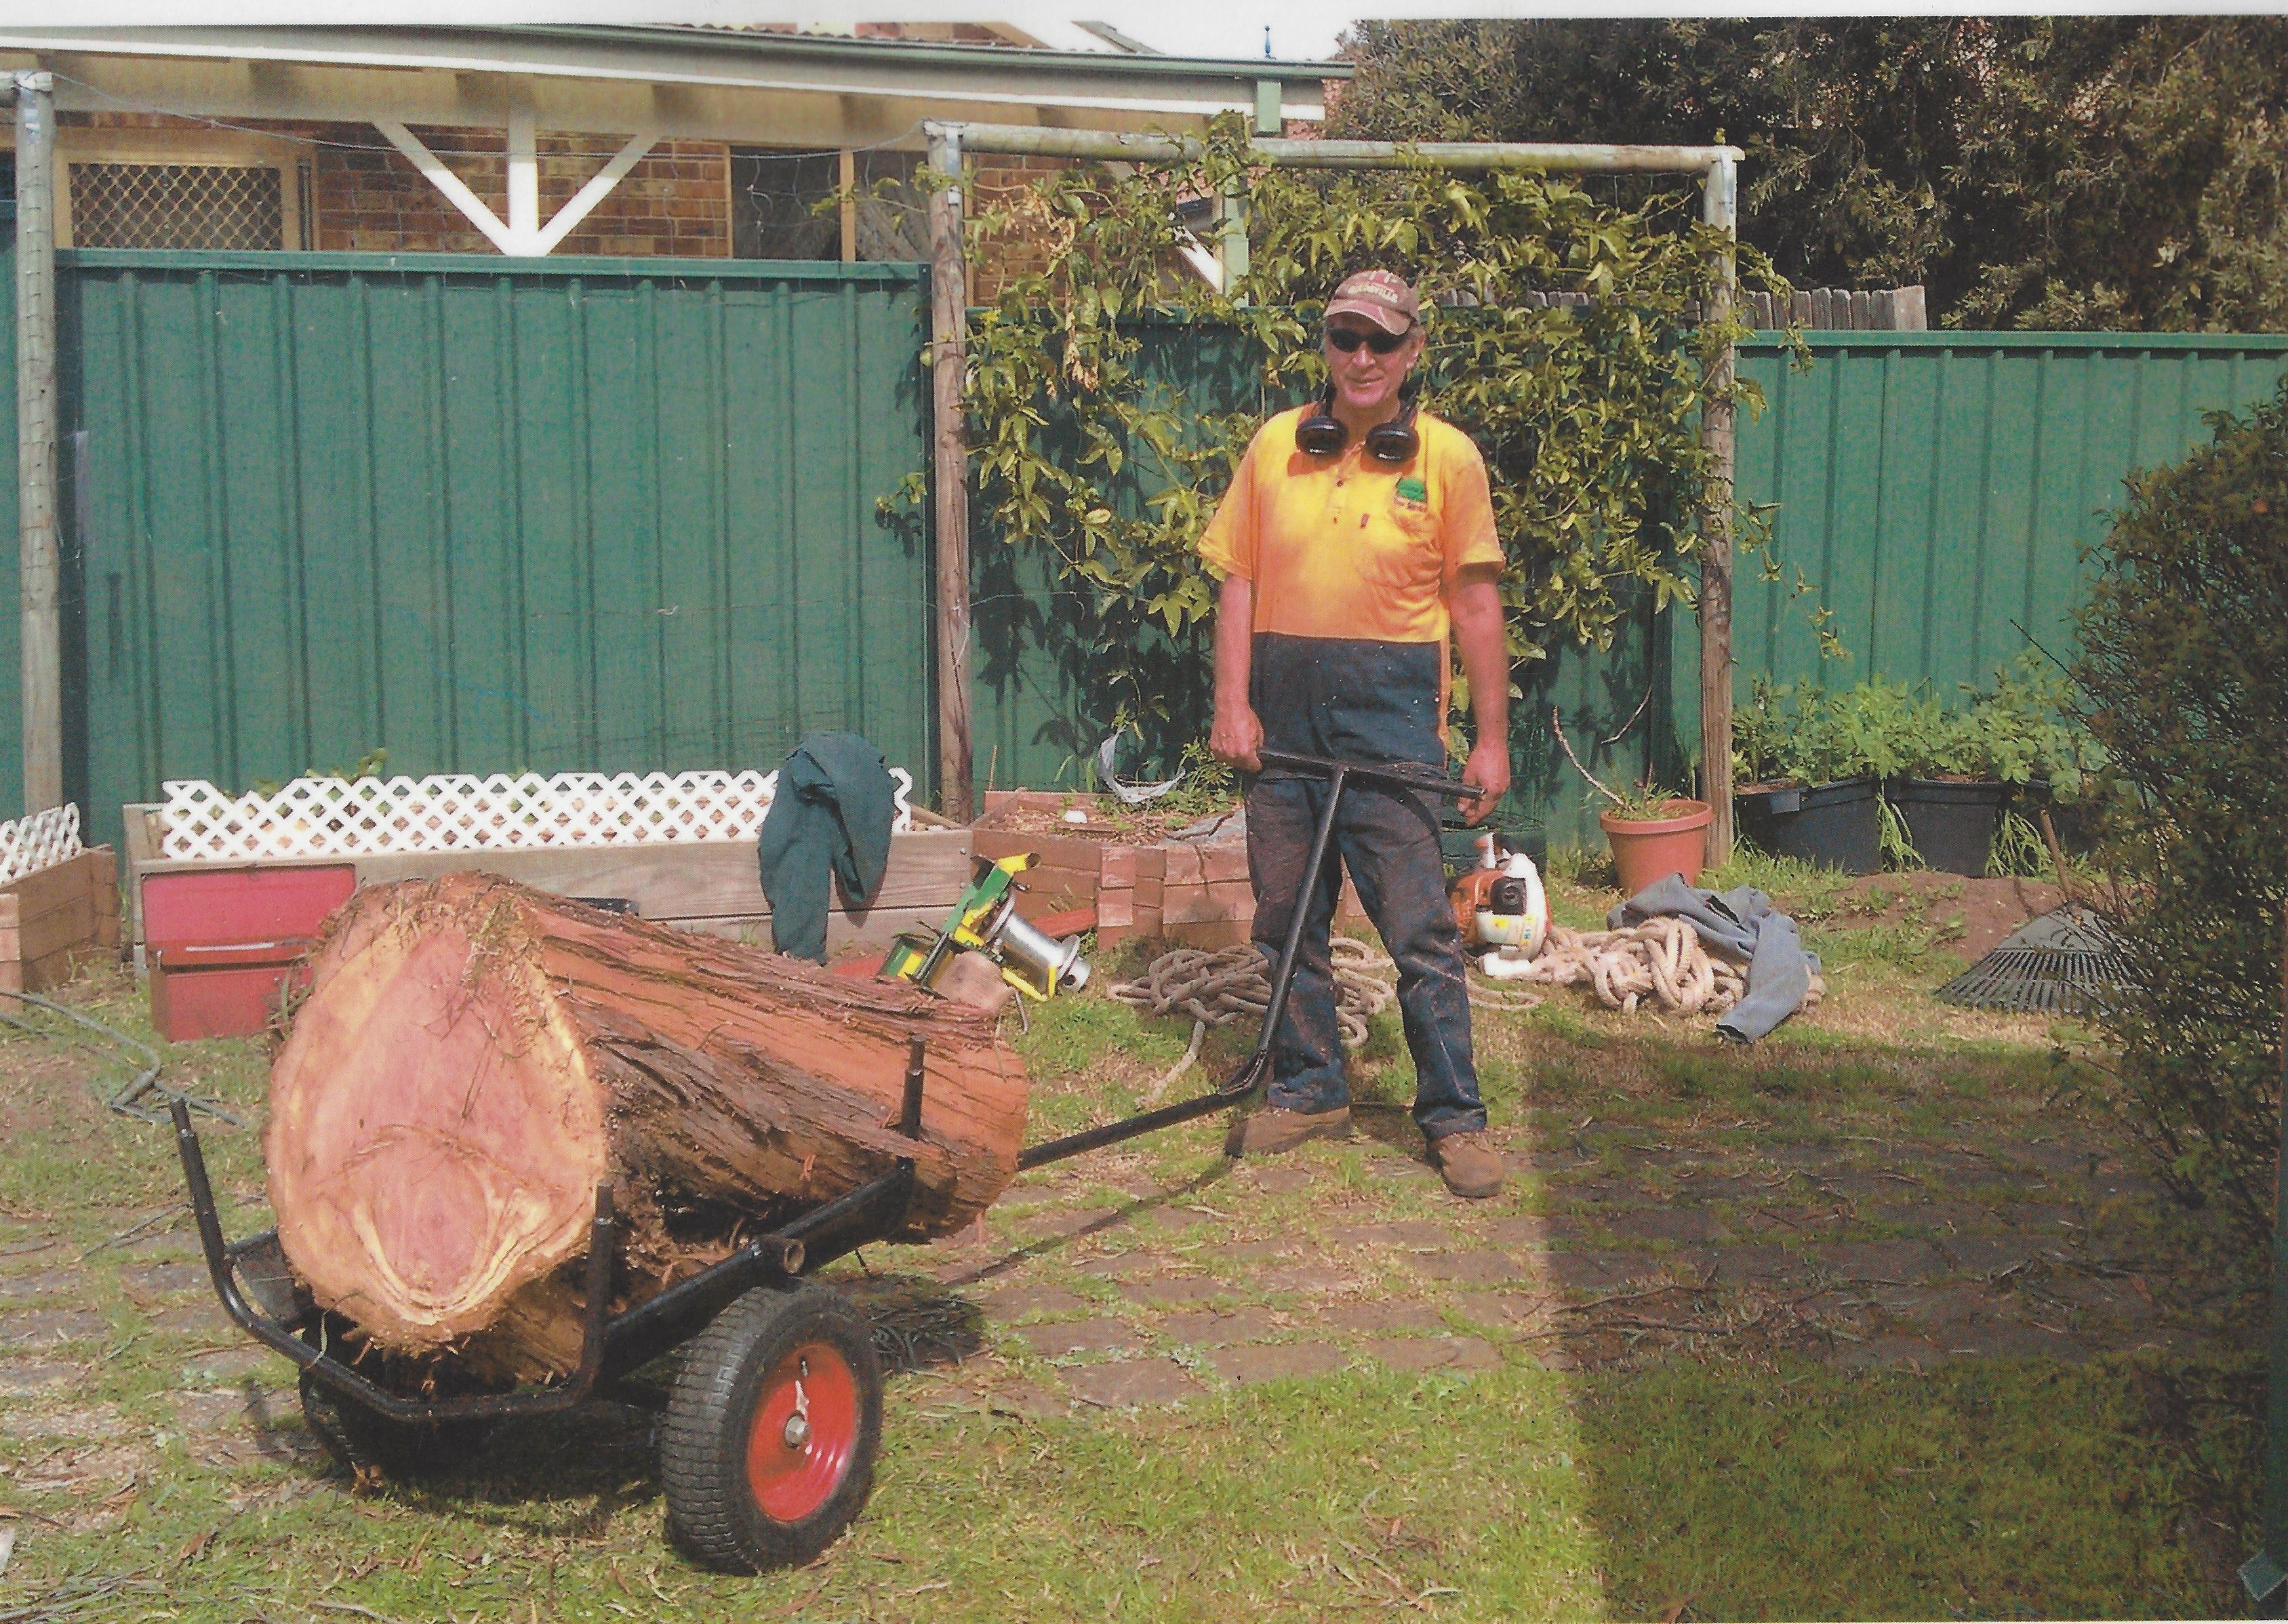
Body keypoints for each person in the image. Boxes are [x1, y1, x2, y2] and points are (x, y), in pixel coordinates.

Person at [1199, 268, 1512, 1200]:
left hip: (1392, 716)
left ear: (1415, 350)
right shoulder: (1275, 447)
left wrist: (1489, 741)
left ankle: (1455, 1119)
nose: (1362, 357)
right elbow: (1239, 582)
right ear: (1326, 348)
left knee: (1419, 932)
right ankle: (1309, 1090)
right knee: (1288, 923)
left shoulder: (1449, 458)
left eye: (1382, 340)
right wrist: (1232, 701)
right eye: (1346, 338)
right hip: (1284, 717)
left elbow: (1478, 604)